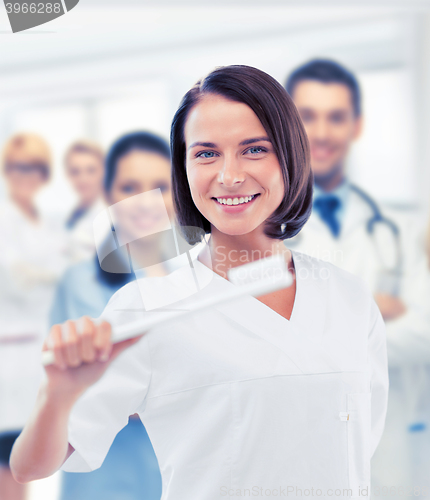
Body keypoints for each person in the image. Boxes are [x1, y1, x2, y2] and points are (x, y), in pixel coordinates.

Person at [10, 65, 388, 499]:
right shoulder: (147, 307)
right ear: (184, 169)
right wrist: (58, 394)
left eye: (254, 149)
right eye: (206, 153)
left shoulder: (348, 297)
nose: (228, 175)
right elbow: (29, 467)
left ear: (290, 155)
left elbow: (358, 448)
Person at [284, 59, 430, 497]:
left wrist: (312, 317)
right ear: (287, 124)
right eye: (308, 116)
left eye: (336, 117)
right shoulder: (256, 233)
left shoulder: (403, 229)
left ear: (357, 125)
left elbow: (425, 331)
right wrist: (372, 311)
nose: (323, 133)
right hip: (295, 453)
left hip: (390, 457)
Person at [51, 132, 173, 500]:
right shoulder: (81, 283)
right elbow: (91, 384)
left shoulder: (201, 280)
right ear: (108, 196)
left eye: (160, 186)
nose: (145, 202)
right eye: (129, 186)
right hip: (105, 483)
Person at [0, 133, 68, 500]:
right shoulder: (3, 219)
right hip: (7, 358)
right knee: (8, 464)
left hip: (34, 358)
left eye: (36, 168)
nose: (27, 176)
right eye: (18, 167)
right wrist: (60, 271)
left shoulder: (44, 221)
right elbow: (18, 277)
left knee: (24, 467)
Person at [64, 140, 106, 263]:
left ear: (104, 171)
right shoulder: (74, 212)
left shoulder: (110, 217)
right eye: (75, 171)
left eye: (91, 170)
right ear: (68, 175)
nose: (83, 179)